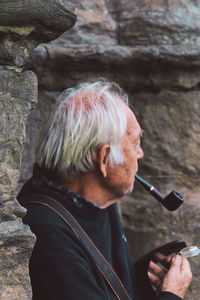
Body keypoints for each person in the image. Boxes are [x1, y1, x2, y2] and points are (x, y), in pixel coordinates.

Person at [17, 80, 192, 300]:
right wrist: (172, 295)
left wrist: (140, 278)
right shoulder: (47, 237)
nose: (141, 154)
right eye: (136, 142)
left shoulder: (99, 197)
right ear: (105, 159)